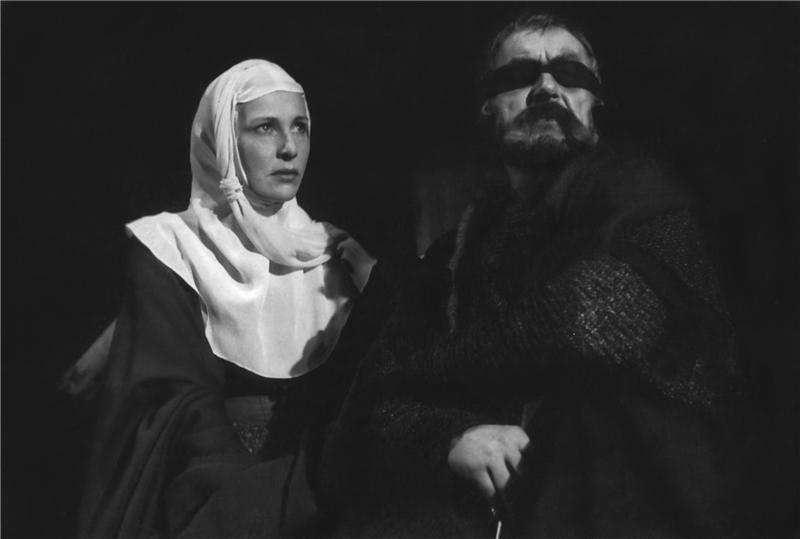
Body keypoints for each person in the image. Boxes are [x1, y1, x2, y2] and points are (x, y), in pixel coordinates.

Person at [321, 13, 745, 538]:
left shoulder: (649, 203)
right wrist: (451, 438)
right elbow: (370, 414)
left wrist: (417, 371)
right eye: (519, 75)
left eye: (570, 74)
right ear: (488, 106)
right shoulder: (455, 253)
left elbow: (581, 319)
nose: (546, 87)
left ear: (594, 103)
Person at [75, 59, 384, 539]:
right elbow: (174, 413)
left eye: (300, 127)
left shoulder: (335, 253)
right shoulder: (170, 249)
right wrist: (267, 503)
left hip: (328, 498)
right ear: (222, 140)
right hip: (215, 502)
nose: (289, 147)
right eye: (265, 128)